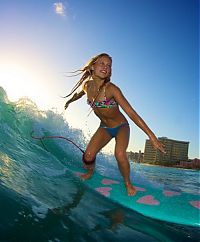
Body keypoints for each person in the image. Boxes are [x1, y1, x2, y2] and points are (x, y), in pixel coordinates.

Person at [64, 53, 165, 196]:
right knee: (88, 156)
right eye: (102, 63)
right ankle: (90, 172)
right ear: (93, 66)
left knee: (119, 153)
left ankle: (128, 183)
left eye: (109, 65)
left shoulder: (112, 89)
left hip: (121, 127)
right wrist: (69, 102)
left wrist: (152, 137)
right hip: (104, 128)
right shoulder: (87, 86)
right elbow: (79, 94)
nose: (106, 67)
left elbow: (131, 113)